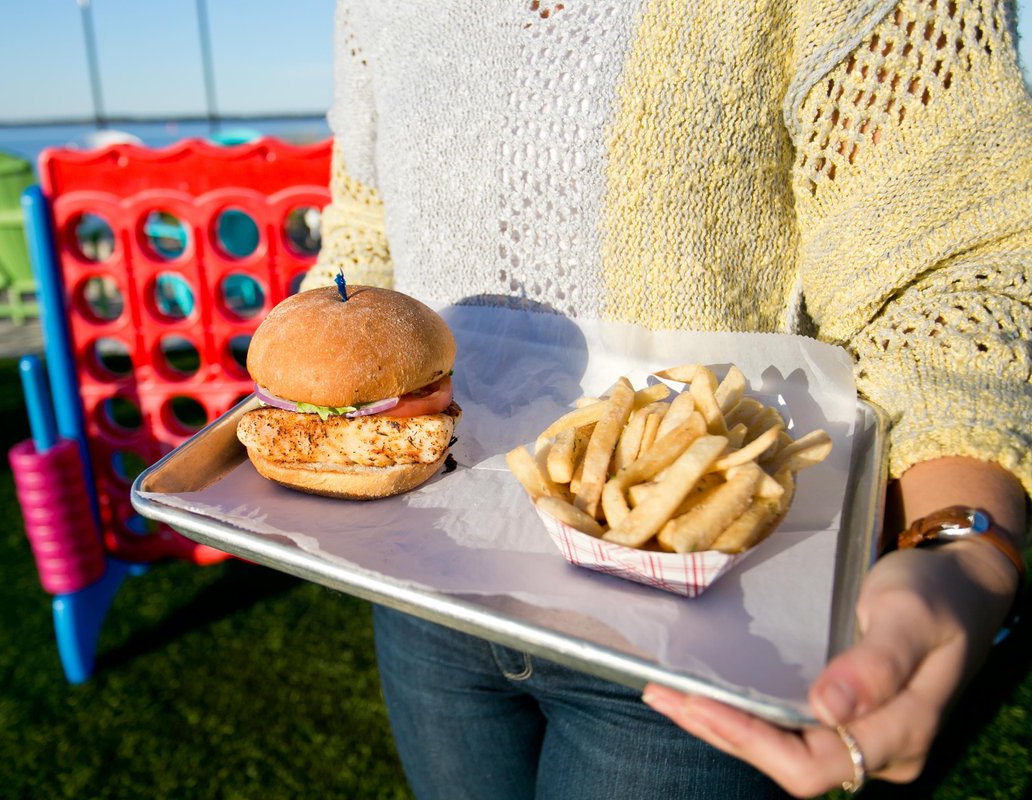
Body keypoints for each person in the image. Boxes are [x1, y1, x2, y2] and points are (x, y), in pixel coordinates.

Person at [299, 1, 1031, 797]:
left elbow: (956, 270)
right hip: (422, 575)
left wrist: (960, 547)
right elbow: (365, 226)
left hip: (702, 622)